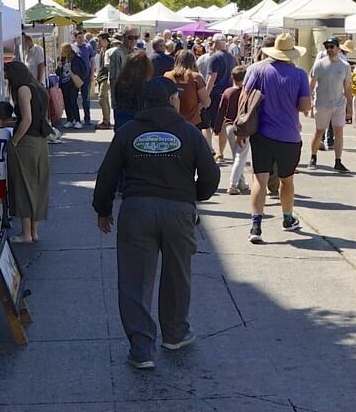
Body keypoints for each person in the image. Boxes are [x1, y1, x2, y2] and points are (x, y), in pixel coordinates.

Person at [93, 77, 220, 370]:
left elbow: (107, 175)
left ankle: (141, 349)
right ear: (172, 101)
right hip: (178, 211)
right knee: (178, 274)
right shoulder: (190, 133)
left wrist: (103, 209)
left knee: (135, 280)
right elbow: (211, 176)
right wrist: (192, 197)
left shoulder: (127, 132)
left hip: (136, 210)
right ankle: (175, 333)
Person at [243, 33, 312, 244]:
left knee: (260, 179)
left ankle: (256, 225)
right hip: (288, 135)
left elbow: (245, 98)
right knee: (287, 180)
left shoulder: (257, 70)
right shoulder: (299, 75)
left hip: (261, 133)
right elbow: (305, 106)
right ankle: (287, 218)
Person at [3, 61, 52, 244]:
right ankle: (34, 232)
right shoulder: (38, 87)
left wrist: (14, 141)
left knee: (24, 186)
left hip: (26, 142)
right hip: (41, 141)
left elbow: (27, 119)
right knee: (39, 185)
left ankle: (26, 234)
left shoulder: (23, 89)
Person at [308, 37, 352, 172]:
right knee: (319, 131)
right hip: (322, 103)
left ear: (338, 48)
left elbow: (347, 88)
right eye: (327, 47)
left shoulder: (345, 66)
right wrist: (309, 102)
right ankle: (313, 157)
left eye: (332, 46)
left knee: (339, 131)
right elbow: (311, 84)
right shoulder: (319, 64)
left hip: (338, 104)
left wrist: (349, 106)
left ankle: (338, 161)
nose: (329, 49)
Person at [219, 65, 251, 194]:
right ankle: (233, 184)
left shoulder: (227, 92)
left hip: (229, 126)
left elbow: (221, 110)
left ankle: (241, 182)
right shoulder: (248, 93)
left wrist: (217, 128)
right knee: (240, 155)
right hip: (242, 127)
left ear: (232, 77)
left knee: (236, 155)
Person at [204, 35, 236, 158]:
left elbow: (212, 78)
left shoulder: (215, 57)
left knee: (208, 124)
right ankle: (220, 152)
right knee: (223, 123)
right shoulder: (231, 58)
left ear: (216, 43)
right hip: (227, 93)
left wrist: (205, 96)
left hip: (215, 94)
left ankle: (210, 150)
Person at [164, 50, 210, 129]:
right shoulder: (195, 77)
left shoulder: (167, 75)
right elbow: (206, 102)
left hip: (171, 122)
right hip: (192, 123)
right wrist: (198, 106)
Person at [113, 51, 152, 131]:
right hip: (139, 119)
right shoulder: (145, 84)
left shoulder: (120, 81)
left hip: (122, 117)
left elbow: (116, 99)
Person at [56, 43, 87, 130]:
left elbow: (83, 70)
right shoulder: (62, 59)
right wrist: (59, 67)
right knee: (66, 102)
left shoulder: (76, 58)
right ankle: (70, 119)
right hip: (64, 83)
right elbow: (58, 73)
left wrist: (78, 75)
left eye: (63, 50)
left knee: (73, 101)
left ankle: (77, 120)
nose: (62, 52)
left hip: (73, 83)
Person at [76, 32, 97, 125]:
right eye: (78, 37)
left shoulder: (88, 47)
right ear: (75, 38)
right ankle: (75, 119)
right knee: (74, 98)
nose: (80, 39)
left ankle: (87, 118)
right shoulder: (73, 47)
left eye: (82, 37)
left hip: (86, 76)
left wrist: (92, 74)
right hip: (75, 77)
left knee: (86, 98)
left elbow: (92, 61)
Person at [94, 33, 113, 129]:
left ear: (106, 41)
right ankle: (107, 119)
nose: (98, 42)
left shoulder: (110, 51)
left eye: (100, 40)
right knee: (105, 99)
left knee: (102, 98)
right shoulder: (102, 50)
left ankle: (106, 121)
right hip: (101, 76)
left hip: (106, 77)